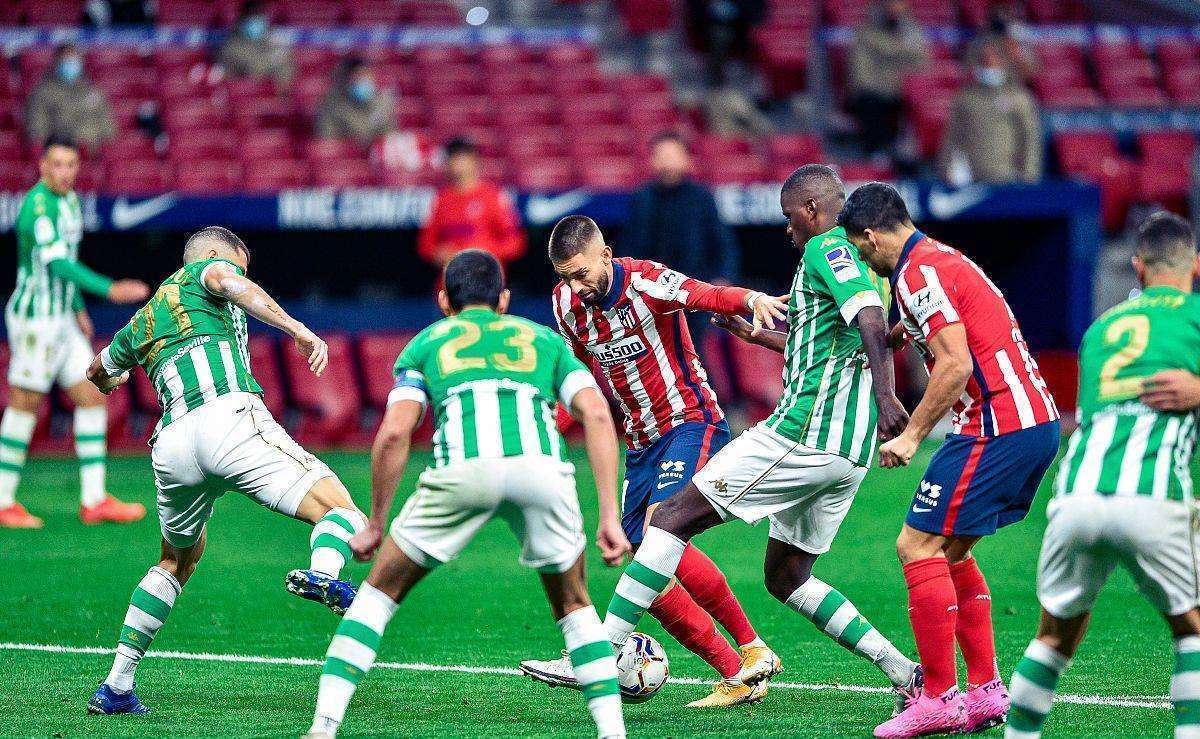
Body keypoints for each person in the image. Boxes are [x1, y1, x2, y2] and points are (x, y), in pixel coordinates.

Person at [591, 166, 923, 719]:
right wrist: (757, 334)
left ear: (812, 209)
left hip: (804, 433)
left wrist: (889, 396)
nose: (787, 229)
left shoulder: (827, 247)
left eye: (790, 217)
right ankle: (905, 673)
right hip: (848, 450)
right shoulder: (867, 261)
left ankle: (600, 650)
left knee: (668, 519)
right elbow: (831, 341)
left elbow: (869, 318)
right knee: (786, 577)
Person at [305, 249, 626, 739]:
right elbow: (598, 415)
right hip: (541, 471)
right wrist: (608, 515)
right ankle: (613, 732)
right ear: (504, 300)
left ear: (443, 301)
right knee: (575, 605)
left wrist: (376, 522)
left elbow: (394, 434)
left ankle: (324, 727)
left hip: (461, 470)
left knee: (377, 596)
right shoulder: (544, 340)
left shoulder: (426, 343)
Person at [83, 226, 368, 715]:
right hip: (227, 420)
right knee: (342, 512)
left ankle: (116, 686)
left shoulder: (144, 319)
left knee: (176, 561)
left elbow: (97, 372)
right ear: (215, 254)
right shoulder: (207, 270)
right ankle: (324, 574)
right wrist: (297, 329)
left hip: (172, 445)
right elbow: (230, 282)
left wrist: (116, 377)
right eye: (239, 265)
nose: (240, 275)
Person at [519, 215, 787, 708]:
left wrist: (751, 299)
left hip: (690, 421)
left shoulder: (645, 279)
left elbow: (706, 294)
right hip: (641, 443)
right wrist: (551, 427)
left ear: (605, 255)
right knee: (644, 554)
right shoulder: (565, 304)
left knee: (662, 530)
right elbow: (577, 376)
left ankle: (750, 648)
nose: (575, 287)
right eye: (565, 277)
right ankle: (738, 673)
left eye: (581, 274)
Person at [837, 182, 1060, 737]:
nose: (862, 260)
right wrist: (891, 335)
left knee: (915, 545)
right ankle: (984, 691)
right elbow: (935, 326)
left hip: (996, 424)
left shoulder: (916, 275)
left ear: (871, 236)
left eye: (860, 249)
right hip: (1034, 422)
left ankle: (938, 697)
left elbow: (956, 364)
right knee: (951, 552)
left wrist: (912, 436)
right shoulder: (939, 260)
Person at [1006, 212, 1200, 739]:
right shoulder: (1194, 316)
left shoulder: (1100, 331)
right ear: (1195, 267)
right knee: (1192, 631)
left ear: (1138, 268)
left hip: (1076, 495)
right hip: (1152, 494)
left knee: (1054, 636)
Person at [0, 136, 149, 529]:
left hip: (63, 319)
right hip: (36, 321)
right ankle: (2, 500)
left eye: (71, 165)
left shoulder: (68, 202)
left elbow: (68, 261)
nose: (65, 172)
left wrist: (79, 308)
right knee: (25, 403)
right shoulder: (38, 208)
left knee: (92, 395)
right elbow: (58, 265)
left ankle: (94, 500)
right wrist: (109, 290)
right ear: (42, 167)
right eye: (57, 164)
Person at [622, 133, 740, 287]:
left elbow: (723, 244)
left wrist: (724, 278)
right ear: (652, 160)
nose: (668, 163)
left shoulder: (702, 197)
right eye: (663, 156)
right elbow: (630, 246)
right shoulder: (641, 198)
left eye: (673, 156)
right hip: (651, 287)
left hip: (698, 286)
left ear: (686, 159)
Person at [938, 40, 1042, 185]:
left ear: (1003, 62)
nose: (989, 64)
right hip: (972, 180)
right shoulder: (965, 98)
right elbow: (952, 138)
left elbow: (1029, 138)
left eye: (993, 59)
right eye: (984, 60)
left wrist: (1029, 176)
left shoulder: (1019, 98)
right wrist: (947, 170)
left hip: (1008, 180)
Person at [417, 137, 525, 270]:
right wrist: (438, 253)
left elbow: (515, 243)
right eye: (454, 158)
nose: (458, 164)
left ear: (474, 160)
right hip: (451, 279)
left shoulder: (492, 196)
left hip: (486, 278)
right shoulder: (440, 199)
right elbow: (425, 245)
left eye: (462, 158)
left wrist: (482, 252)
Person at [846, 0, 928, 156]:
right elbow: (861, 75)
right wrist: (889, 88)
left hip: (905, 91)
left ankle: (911, 156)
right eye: (891, 4)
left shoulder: (913, 32)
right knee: (870, 101)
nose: (895, 8)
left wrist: (905, 88)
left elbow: (923, 65)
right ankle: (876, 153)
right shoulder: (866, 33)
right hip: (876, 92)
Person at [24, 43, 116, 150]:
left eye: (75, 59)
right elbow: (37, 131)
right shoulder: (42, 93)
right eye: (67, 60)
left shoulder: (94, 92)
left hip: (95, 154)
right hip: (63, 154)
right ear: (57, 62)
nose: (72, 64)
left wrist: (107, 151)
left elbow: (108, 128)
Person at [315, 55, 396, 145]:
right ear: (347, 80)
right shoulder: (332, 104)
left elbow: (390, 139)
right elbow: (328, 141)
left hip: (375, 152)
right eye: (358, 78)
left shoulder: (384, 102)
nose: (364, 81)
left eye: (366, 77)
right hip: (346, 152)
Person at [216, 0, 294, 90]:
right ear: (242, 19)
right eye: (253, 15)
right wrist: (276, 59)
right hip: (241, 94)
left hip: (265, 95)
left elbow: (287, 64)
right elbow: (254, 70)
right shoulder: (231, 46)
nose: (258, 19)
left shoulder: (267, 40)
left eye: (260, 15)